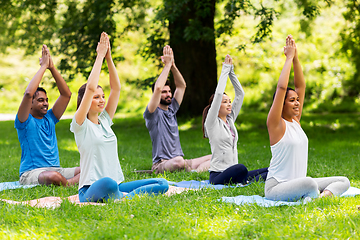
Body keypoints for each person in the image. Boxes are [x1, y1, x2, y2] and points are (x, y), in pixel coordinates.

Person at [70, 32, 169, 203]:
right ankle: (123, 198)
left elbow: (116, 89)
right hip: (91, 189)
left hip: (116, 185)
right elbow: (90, 88)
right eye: (96, 97)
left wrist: (109, 57)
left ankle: (122, 198)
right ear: (86, 101)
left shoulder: (105, 121)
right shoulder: (80, 125)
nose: (101, 100)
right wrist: (99, 56)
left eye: (102, 96)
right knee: (108, 183)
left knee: (162, 183)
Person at [265, 35, 350, 201]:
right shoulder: (275, 124)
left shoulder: (295, 122)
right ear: (281, 103)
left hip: (299, 183)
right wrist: (288, 58)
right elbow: (282, 87)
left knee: (343, 181)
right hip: (277, 187)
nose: (297, 103)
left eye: (298, 100)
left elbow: (300, 86)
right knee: (310, 183)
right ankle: (311, 196)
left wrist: (296, 58)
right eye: (292, 100)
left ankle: (322, 198)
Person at [15, 44, 80, 186]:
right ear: (30, 104)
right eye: (40, 100)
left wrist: (52, 67)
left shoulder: (50, 118)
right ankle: (68, 184)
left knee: (89, 169)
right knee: (54, 177)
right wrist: (43, 67)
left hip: (57, 170)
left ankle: (65, 182)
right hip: (32, 173)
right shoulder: (24, 121)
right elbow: (28, 94)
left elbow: (66, 94)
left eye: (46, 100)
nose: (45, 103)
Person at [144, 45, 211, 174]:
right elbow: (157, 88)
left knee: (215, 157)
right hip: (161, 164)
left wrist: (173, 65)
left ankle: (194, 172)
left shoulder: (172, 109)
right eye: (164, 92)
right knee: (179, 161)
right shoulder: (152, 113)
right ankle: (188, 168)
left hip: (180, 160)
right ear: (156, 95)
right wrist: (167, 66)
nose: (168, 94)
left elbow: (181, 86)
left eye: (169, 91)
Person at [202, 54, 268, 185]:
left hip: (235, 172)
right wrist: (225, 69)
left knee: (270, 170)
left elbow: (240, 94)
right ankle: (246, 181)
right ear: (216, 106)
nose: (229, 104)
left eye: (229, 102)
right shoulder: (211, 122)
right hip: (218, 175)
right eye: (224, 102)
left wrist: (231, 72)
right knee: (241, 168)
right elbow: (219, 93)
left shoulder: (230, 119)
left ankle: (246, 181)